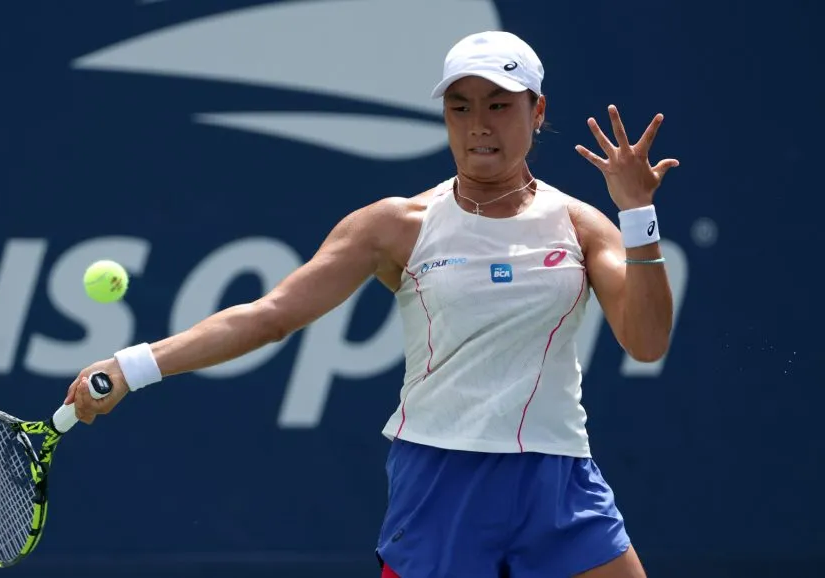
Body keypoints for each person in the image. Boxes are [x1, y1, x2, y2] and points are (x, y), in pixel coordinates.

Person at [63, 30, 677, 578]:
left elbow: (646, 342)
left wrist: (637, 216)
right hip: (443, 481)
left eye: (498, 105)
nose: (477, 124)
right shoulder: (396, 225)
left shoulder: (582, 226)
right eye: (459, 107)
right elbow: (271, 315)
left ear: (537, 112)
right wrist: (135, 365)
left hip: (559, 478)